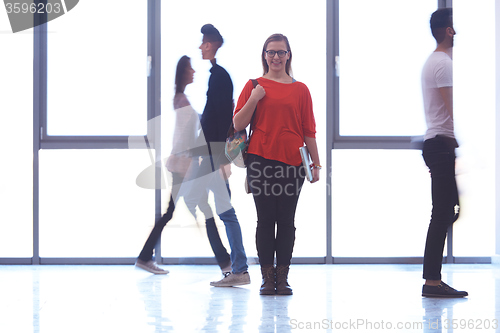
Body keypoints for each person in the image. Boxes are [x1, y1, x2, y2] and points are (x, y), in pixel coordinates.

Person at [233, 34, 320, 295]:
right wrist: (255, 98)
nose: (276, 57)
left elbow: (309, 131)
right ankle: (266, 278)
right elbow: (238, 124)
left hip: (293, 164)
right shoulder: (254, 85)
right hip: (260, 160)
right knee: (265, 220)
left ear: (289, 55)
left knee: (286, 221)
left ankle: (282, 278)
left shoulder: (301, 89)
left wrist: (316, 164)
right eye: (271, 52)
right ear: (264, 55)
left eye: (281, 52)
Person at [186, 24, 250, 287]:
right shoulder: (217, 75)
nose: (201, 46)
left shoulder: (219, 76)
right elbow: (212, 118)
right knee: (210, 205)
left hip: (214, 155)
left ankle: (237, 268)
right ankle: (232, 265)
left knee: (224, 211)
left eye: (204, 42)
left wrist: (222, 159)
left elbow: (220, 118)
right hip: (211, 154)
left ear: (212, 44)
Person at [135, 56, 205, 274]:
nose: (194, 71)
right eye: (190, 69)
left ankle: (145, 257)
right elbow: (183, 136)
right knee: (173, 212)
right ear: (183, 72)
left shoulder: (181, 98)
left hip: (183, 163)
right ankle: (145, 257)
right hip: (183, 164)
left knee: (172, 211)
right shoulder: (182, 100)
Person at [420, 8, 467, 298]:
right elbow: (451, 110)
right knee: (442, 213)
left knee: (448, 210)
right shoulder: (443, 63)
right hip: (441, 144)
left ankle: (432, 280)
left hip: (438, 144)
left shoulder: (435, 61)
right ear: (449, 30)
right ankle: (432, 282)